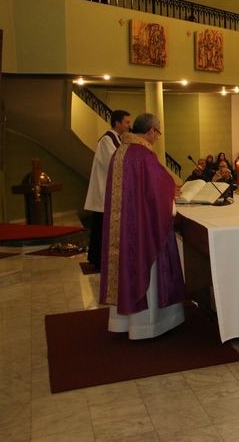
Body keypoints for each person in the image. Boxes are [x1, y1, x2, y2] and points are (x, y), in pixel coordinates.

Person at [100, 113, 185, 339]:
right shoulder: (144, 155)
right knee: (145, 263)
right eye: (158, 132)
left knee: (125, 265)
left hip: (124, 224)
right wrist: (171, 191)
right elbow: (158, 188)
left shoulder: (120, 151)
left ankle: (122, 323)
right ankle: (147, 326)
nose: (157, 137)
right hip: (142, 226)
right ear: (150, 130)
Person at [83, 110, 131, 272]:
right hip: (105, 192)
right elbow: (114, 162)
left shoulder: (117, 139)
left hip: (111, 191)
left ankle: (106, 259)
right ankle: (99, 260)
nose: (129, 125)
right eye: (126, 122)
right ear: (117, 123)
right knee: (101, 228)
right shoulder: (107, 140)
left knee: (106, 228)